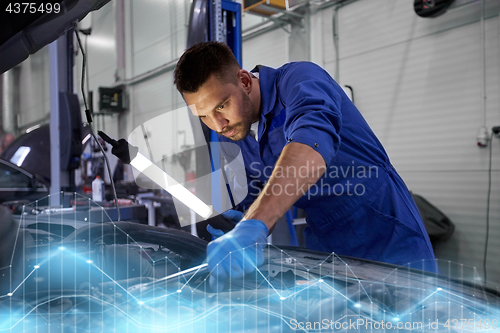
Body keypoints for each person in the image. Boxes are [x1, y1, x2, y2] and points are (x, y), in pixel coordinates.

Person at [173, 42, 438, 291]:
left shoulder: (299, 80)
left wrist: (255, 222)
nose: (218, 124)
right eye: (204, 116)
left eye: (221, 106)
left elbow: (311, 144)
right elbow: (263, 199)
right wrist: (244, 222)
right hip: (324, 242)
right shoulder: (235, 132)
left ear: (243, 80)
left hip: (383, 230)